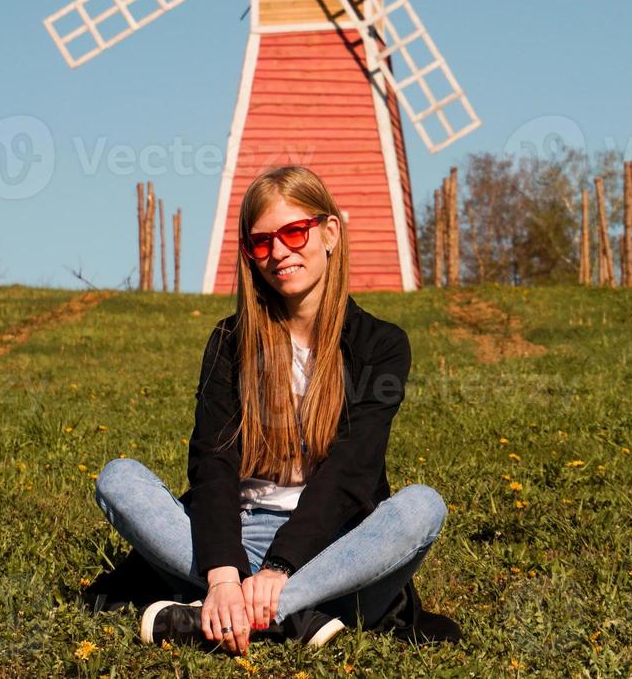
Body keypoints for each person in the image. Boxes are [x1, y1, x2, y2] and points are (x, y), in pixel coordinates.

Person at [92, 165, 460, 652]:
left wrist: (281, 569)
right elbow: (213, 460)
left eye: (293, 231)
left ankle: (233, 613)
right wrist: (225, 573)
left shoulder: (381, 344)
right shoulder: (231, 340)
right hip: (234, 540)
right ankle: (281, 617)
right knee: (118, 477)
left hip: (333, 550)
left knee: (423, 507)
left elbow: (353, 471)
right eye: (261, 242)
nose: (279, 252)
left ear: (329, 232)